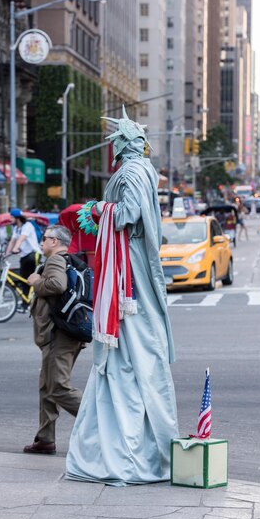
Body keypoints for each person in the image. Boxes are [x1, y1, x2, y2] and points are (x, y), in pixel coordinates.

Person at [66, 106, 179, 486]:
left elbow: (128, 214)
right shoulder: (145, 170)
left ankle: (128, 453)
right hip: (132, 266)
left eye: (115, 141)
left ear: (124, 144)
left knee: (130, 344)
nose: (112, 147)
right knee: (134, 344)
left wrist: (97, 209)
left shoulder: (130, 173)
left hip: (125, 266)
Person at [23, 225, 84, 455]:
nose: (41, 242)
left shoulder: (56, 261)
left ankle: (102, 421)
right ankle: (45, 438)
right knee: (47, 386)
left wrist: (36, 281)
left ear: (55, 242)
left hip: (59, 335)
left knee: (57, 387)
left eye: (45, 238)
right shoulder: (67, 260)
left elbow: (57, 285)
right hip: (60, 334)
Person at [6, 209, 39, 301]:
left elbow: (21, 239)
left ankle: (36, 298)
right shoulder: (16, 228)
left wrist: (15, 249)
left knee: (32, 278)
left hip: (33, 255)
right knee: (23, 279)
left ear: (17, 218)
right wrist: (6, 253)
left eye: (12, 217)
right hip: (24, 256)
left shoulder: (27, 226)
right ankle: (26, 302)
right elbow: (12, 241)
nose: (10, 219)